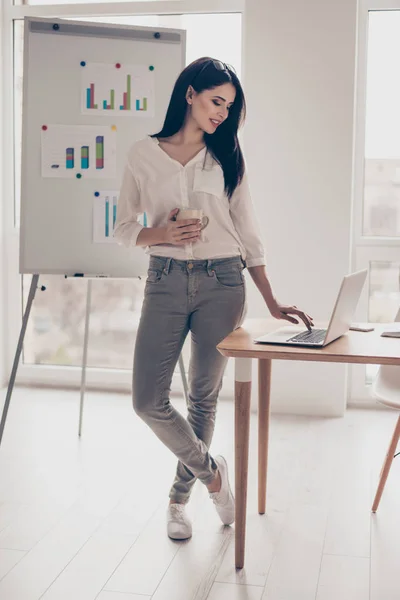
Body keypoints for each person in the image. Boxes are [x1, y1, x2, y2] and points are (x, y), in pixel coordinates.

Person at [114, 57, 313, 540]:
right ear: (190, 95)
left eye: (229, 105)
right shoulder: (143, 154)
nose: (222, 113)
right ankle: (214, 474)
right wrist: (161, 232)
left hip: (224, 282)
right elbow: (122, 230)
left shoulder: (228, 157)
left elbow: (248, 232)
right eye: (215, 100)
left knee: (202, 398)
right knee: (147, 400)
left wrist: (269, 297)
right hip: (163, 279)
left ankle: (178, 502)